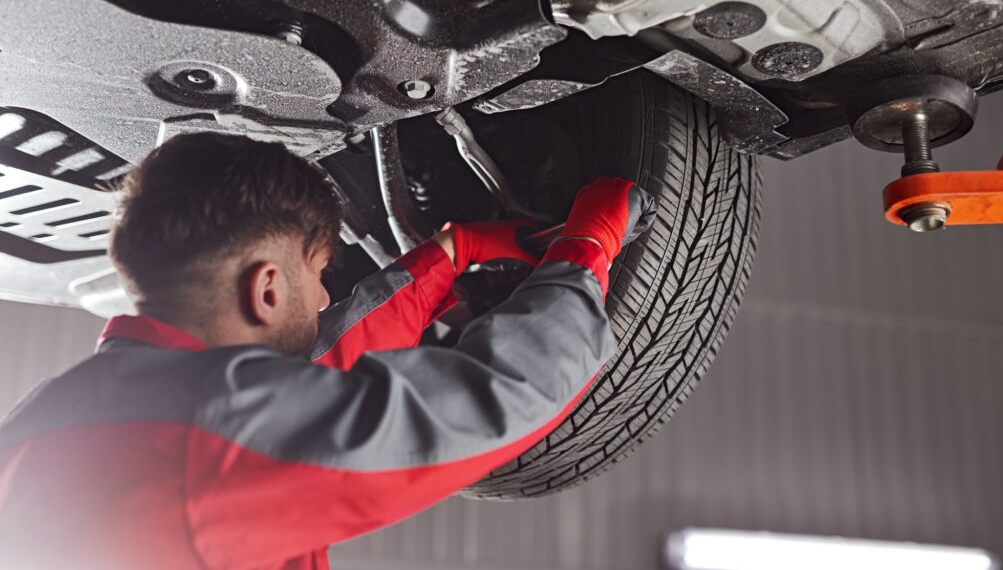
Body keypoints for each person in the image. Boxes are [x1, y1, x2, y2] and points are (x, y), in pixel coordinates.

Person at [0, 132, 655, 570]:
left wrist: (446, 257)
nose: (320, 300)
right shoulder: (205, 435)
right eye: (317, 274)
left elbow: (318, 378)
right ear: (265, 286)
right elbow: (498, 394)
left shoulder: (78, 411)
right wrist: (585, 249)